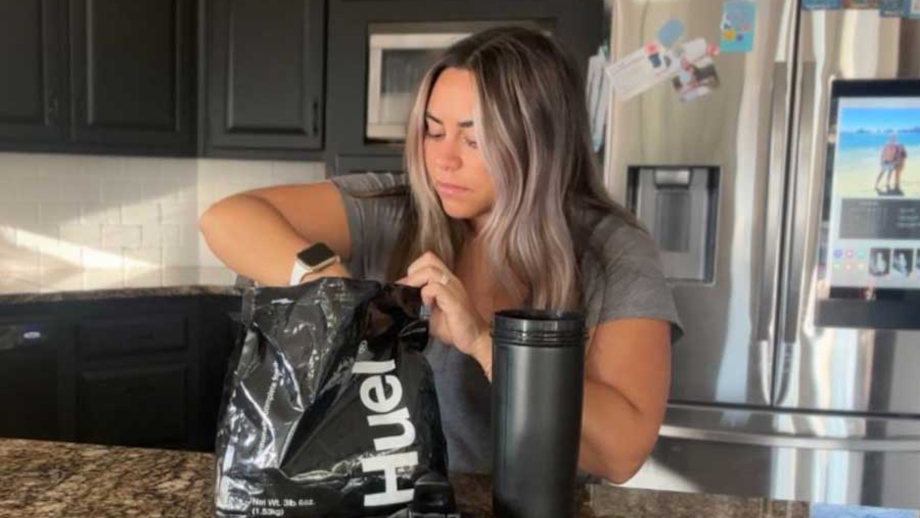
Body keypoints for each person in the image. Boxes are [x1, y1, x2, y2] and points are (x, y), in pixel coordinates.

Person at [199, 26, 682, 484]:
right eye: (433, 131)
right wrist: (332, 284)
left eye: (474, 140)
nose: (444, 159)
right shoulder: (393, 211)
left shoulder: (610, 250)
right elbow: (226, 218)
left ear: (540, 145)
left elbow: (621, 453)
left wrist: (483, 343)